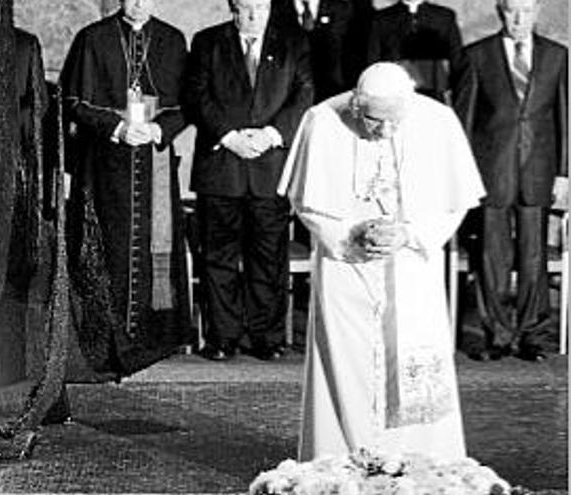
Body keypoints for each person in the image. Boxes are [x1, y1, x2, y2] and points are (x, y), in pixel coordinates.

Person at [278, 62, 485, 460]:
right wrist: (351, 235)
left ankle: (419, 459)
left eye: (395, 120)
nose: (386, 131)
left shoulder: (437, 122)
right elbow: (305, 201)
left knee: (414, 359)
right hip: (347, 266)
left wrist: (409, 233)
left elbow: (454, 202)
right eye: (375, 120)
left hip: (411, 264)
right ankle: (342, 458)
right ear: (356, 105)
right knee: (348, 363)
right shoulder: (322, 121)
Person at [60, 0, 193, 381]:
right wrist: (117, 128)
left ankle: (154, 338)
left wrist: (156, 130)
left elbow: (187, 104)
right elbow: (72, 101)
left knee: (156, 244)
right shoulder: (93, 38)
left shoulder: (171, 39)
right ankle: (102, 338)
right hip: (105, 166)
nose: (138, 2)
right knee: (108, 244)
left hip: (155, 162)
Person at [184, 0, 312, 361]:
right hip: (221, 166)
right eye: (246, 7)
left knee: (269, 260)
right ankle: (222, 338)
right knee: (219, 259)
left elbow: (304, 95)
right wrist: (229, 137)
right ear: (232, 8)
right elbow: (196, 96)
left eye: (261, 7)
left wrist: (270, 135)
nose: (254, 16)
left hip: (270, 169)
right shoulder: (206, 42)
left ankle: (267, 339)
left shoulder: (293, 43)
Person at [453, 0, 568, 362]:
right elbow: (463, 123)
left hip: (539, 171)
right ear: (499, 12)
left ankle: (533, 335)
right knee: (492, 257)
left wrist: (564, 173)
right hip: (491, 173)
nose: (519, 20)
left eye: (526, 12)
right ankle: (497, 335)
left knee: (533, 256)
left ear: (537, 13)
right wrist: (465, 175)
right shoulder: (477, 55)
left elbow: (566, 119)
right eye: (512, 11)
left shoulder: (557, 55)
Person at [272, 0, 371, 103]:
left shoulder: (345, 8)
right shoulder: (274, 8)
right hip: (285, 98)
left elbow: (354, 58)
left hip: (332, 98)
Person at [366, 0, 463, 101]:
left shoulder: (444, 17)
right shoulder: (381, 19)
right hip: (392, 96)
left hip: (434, 96)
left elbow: (457, 64)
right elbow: (372, 65)